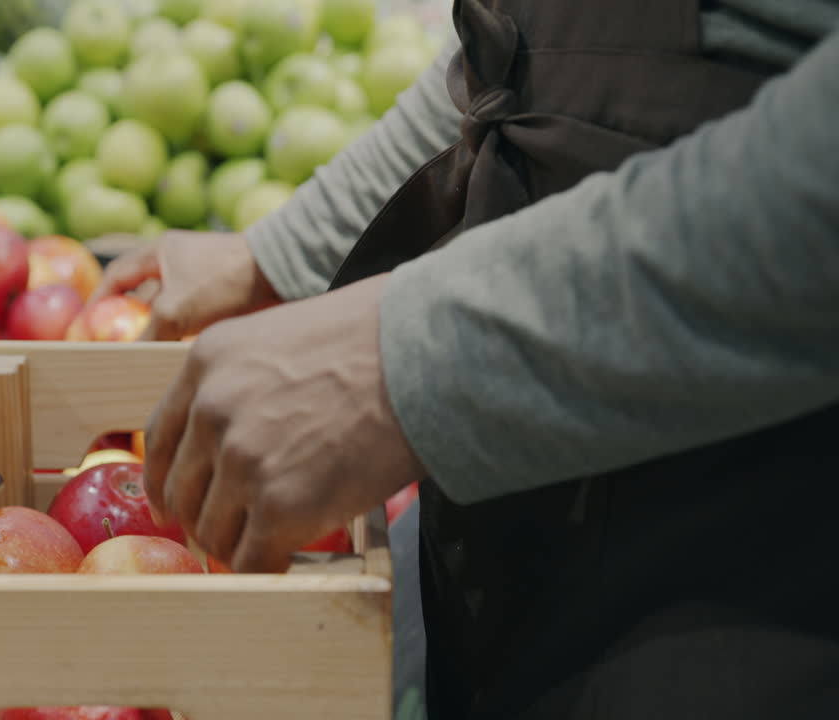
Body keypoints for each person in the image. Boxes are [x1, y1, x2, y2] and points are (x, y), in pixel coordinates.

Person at [91, 0, 839, 717]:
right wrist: (285, 251)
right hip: (520, 534)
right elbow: (518, 44)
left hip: (744, 543)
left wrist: (412, 358)